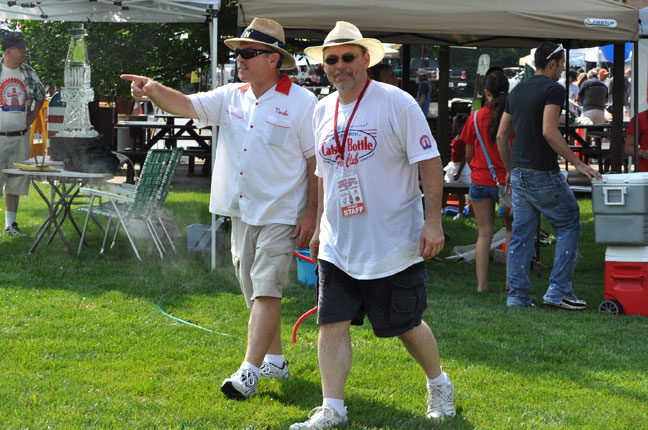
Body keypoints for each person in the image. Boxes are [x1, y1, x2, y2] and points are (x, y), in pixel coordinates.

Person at [122, 17, 318, 399]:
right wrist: (152, 88)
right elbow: (184, 104)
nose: (239, 59)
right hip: (240, 211)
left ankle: (248, 371)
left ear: (274, 59)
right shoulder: (230, 95)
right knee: (252, 289)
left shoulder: (303, 103)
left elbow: (315, 165)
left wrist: (312, 214)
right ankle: (275, 359)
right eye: (238, 52)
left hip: (281, 212)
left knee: (265, 288)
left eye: (248, 53)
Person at [290, 21, 455, 429]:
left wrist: (433, 223)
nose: (340, 66)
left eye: (348, 57)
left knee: (405, 325)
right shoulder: (322, 109)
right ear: (324, 66)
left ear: (366, 59)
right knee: (331, 322)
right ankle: (333, 408)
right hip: (340, 242)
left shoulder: (397, 103)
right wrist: (320, 226)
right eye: (332, 60)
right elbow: (324, 173)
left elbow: (429, 163)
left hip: (393, 242)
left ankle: (439, 383)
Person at [496, 42, 602, 310]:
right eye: (563, 62)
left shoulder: (517, 89)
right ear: (553, 62)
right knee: (568, 224)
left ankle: (517, 297)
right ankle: (559, 291)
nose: (565, 67)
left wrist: (509, 169)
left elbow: (500, 136)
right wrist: (578, 164)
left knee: (521, 235)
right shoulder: (554, 89)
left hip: (519, 173)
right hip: (543, 172)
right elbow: (549, 131)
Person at [461, 71, 513, 293]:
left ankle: (482, 285)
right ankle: (510, 282)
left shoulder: (474, 117)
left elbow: (468, 154)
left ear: (486, 92)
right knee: (511, 231)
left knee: (484, 234)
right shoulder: (511, 117)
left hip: (481, 179)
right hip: (506, 182)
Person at [0, 32, 46, 236]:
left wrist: (32, 117)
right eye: (20, 50)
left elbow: (41, 96)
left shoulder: (28, 72)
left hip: (19, 137)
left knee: (16, 181)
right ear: (7, 51)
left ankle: (10, 226)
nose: (24, 53)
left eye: (25, 49)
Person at [442, 114, 470, 218]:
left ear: (459, 124)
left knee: (460, 192)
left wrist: (459, 172)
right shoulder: (457, 137)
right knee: (446, 188)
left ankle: (460, 212)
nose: (453, 125)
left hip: (461, 167)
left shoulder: (464, 138)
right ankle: (443, 209)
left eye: (454, 122)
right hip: (453, 165)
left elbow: (464, 156)